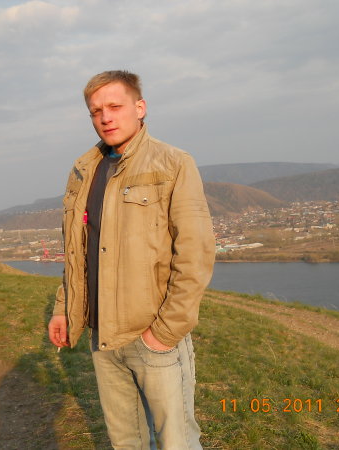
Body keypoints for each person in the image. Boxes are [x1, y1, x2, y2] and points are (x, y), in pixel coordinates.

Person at [48, 70, 215, 449]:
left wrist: (165, 332)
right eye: (96, 111)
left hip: (153, 336)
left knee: (176, 442)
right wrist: (63, 308)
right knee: (126, 443)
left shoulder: (172, 163)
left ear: (140, 108)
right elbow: (78, 251)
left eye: (114, 106)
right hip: (103, 339)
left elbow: (196, 253)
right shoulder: (84, 170)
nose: (105, 118)